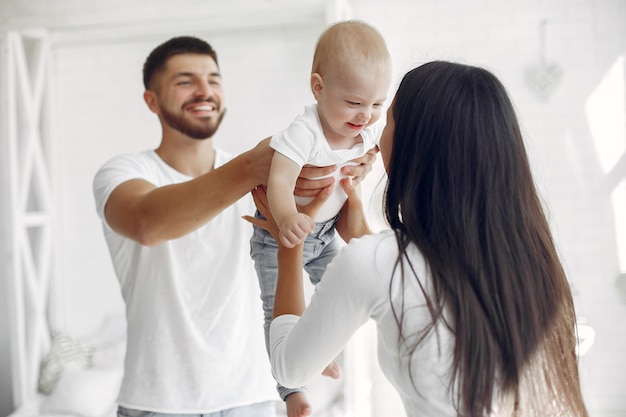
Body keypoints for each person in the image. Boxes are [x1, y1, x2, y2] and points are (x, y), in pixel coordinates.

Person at [247, 61, 589, 416]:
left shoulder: (374, 261)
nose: (374, 131)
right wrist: (363, 233)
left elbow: (290, 367)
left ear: (415, 143)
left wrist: (287, 244)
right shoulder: (533, 261)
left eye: (387, 116)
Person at [92, 36, 376, 417]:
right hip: (157, 403)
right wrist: (252, 168)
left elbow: (309, 242)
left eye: (213, 78)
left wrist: (347, 169)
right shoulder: (125, 172)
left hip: (250, 397)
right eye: (185, 80)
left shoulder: (262, 171)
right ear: (152, 101)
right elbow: (147, 224)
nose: (204, 90)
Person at [249, 20, 391, 417]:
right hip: (280, 234)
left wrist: (360, 171)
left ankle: (315, 349)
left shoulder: (364, 132)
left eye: (377, 104)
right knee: (276, 309)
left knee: (338, 299)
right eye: (354, 102)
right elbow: (278, 180)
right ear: (318, 88)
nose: (366, 115)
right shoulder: (304, 132)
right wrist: (287, 217)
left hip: (326, 235)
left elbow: (364, 160)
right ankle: (292, 390)